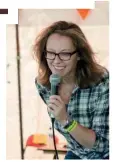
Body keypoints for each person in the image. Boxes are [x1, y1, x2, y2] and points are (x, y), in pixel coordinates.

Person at [33, 21, 109, 159]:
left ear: (79, 55)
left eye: (65, 54)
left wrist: (65, 120)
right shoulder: (43, 85)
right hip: (76, 152)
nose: (56, 61)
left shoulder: (102, 83)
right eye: (51, 52)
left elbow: (102, 144)